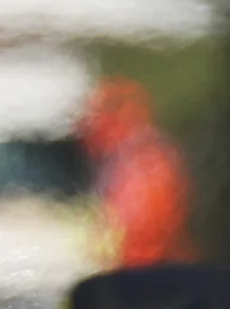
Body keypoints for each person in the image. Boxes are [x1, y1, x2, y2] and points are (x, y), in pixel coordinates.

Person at [81, 77, 192, 266]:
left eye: (99, 115)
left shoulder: (145, 161)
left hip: (147, 267)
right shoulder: (122, 159)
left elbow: (144, 228)